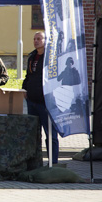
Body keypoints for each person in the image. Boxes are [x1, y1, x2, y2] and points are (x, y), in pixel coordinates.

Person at [22, 31, 59, 164]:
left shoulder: (51, 58)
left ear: (45, 41)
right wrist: (24, 89)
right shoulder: (32, 56)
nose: (36, 41)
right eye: (34, 39)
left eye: (39, 39)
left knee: (50, 135)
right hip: (32, 101)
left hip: (46, 104)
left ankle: (53, 163)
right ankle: (34, 162)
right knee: (33, 134)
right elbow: (29, 76)